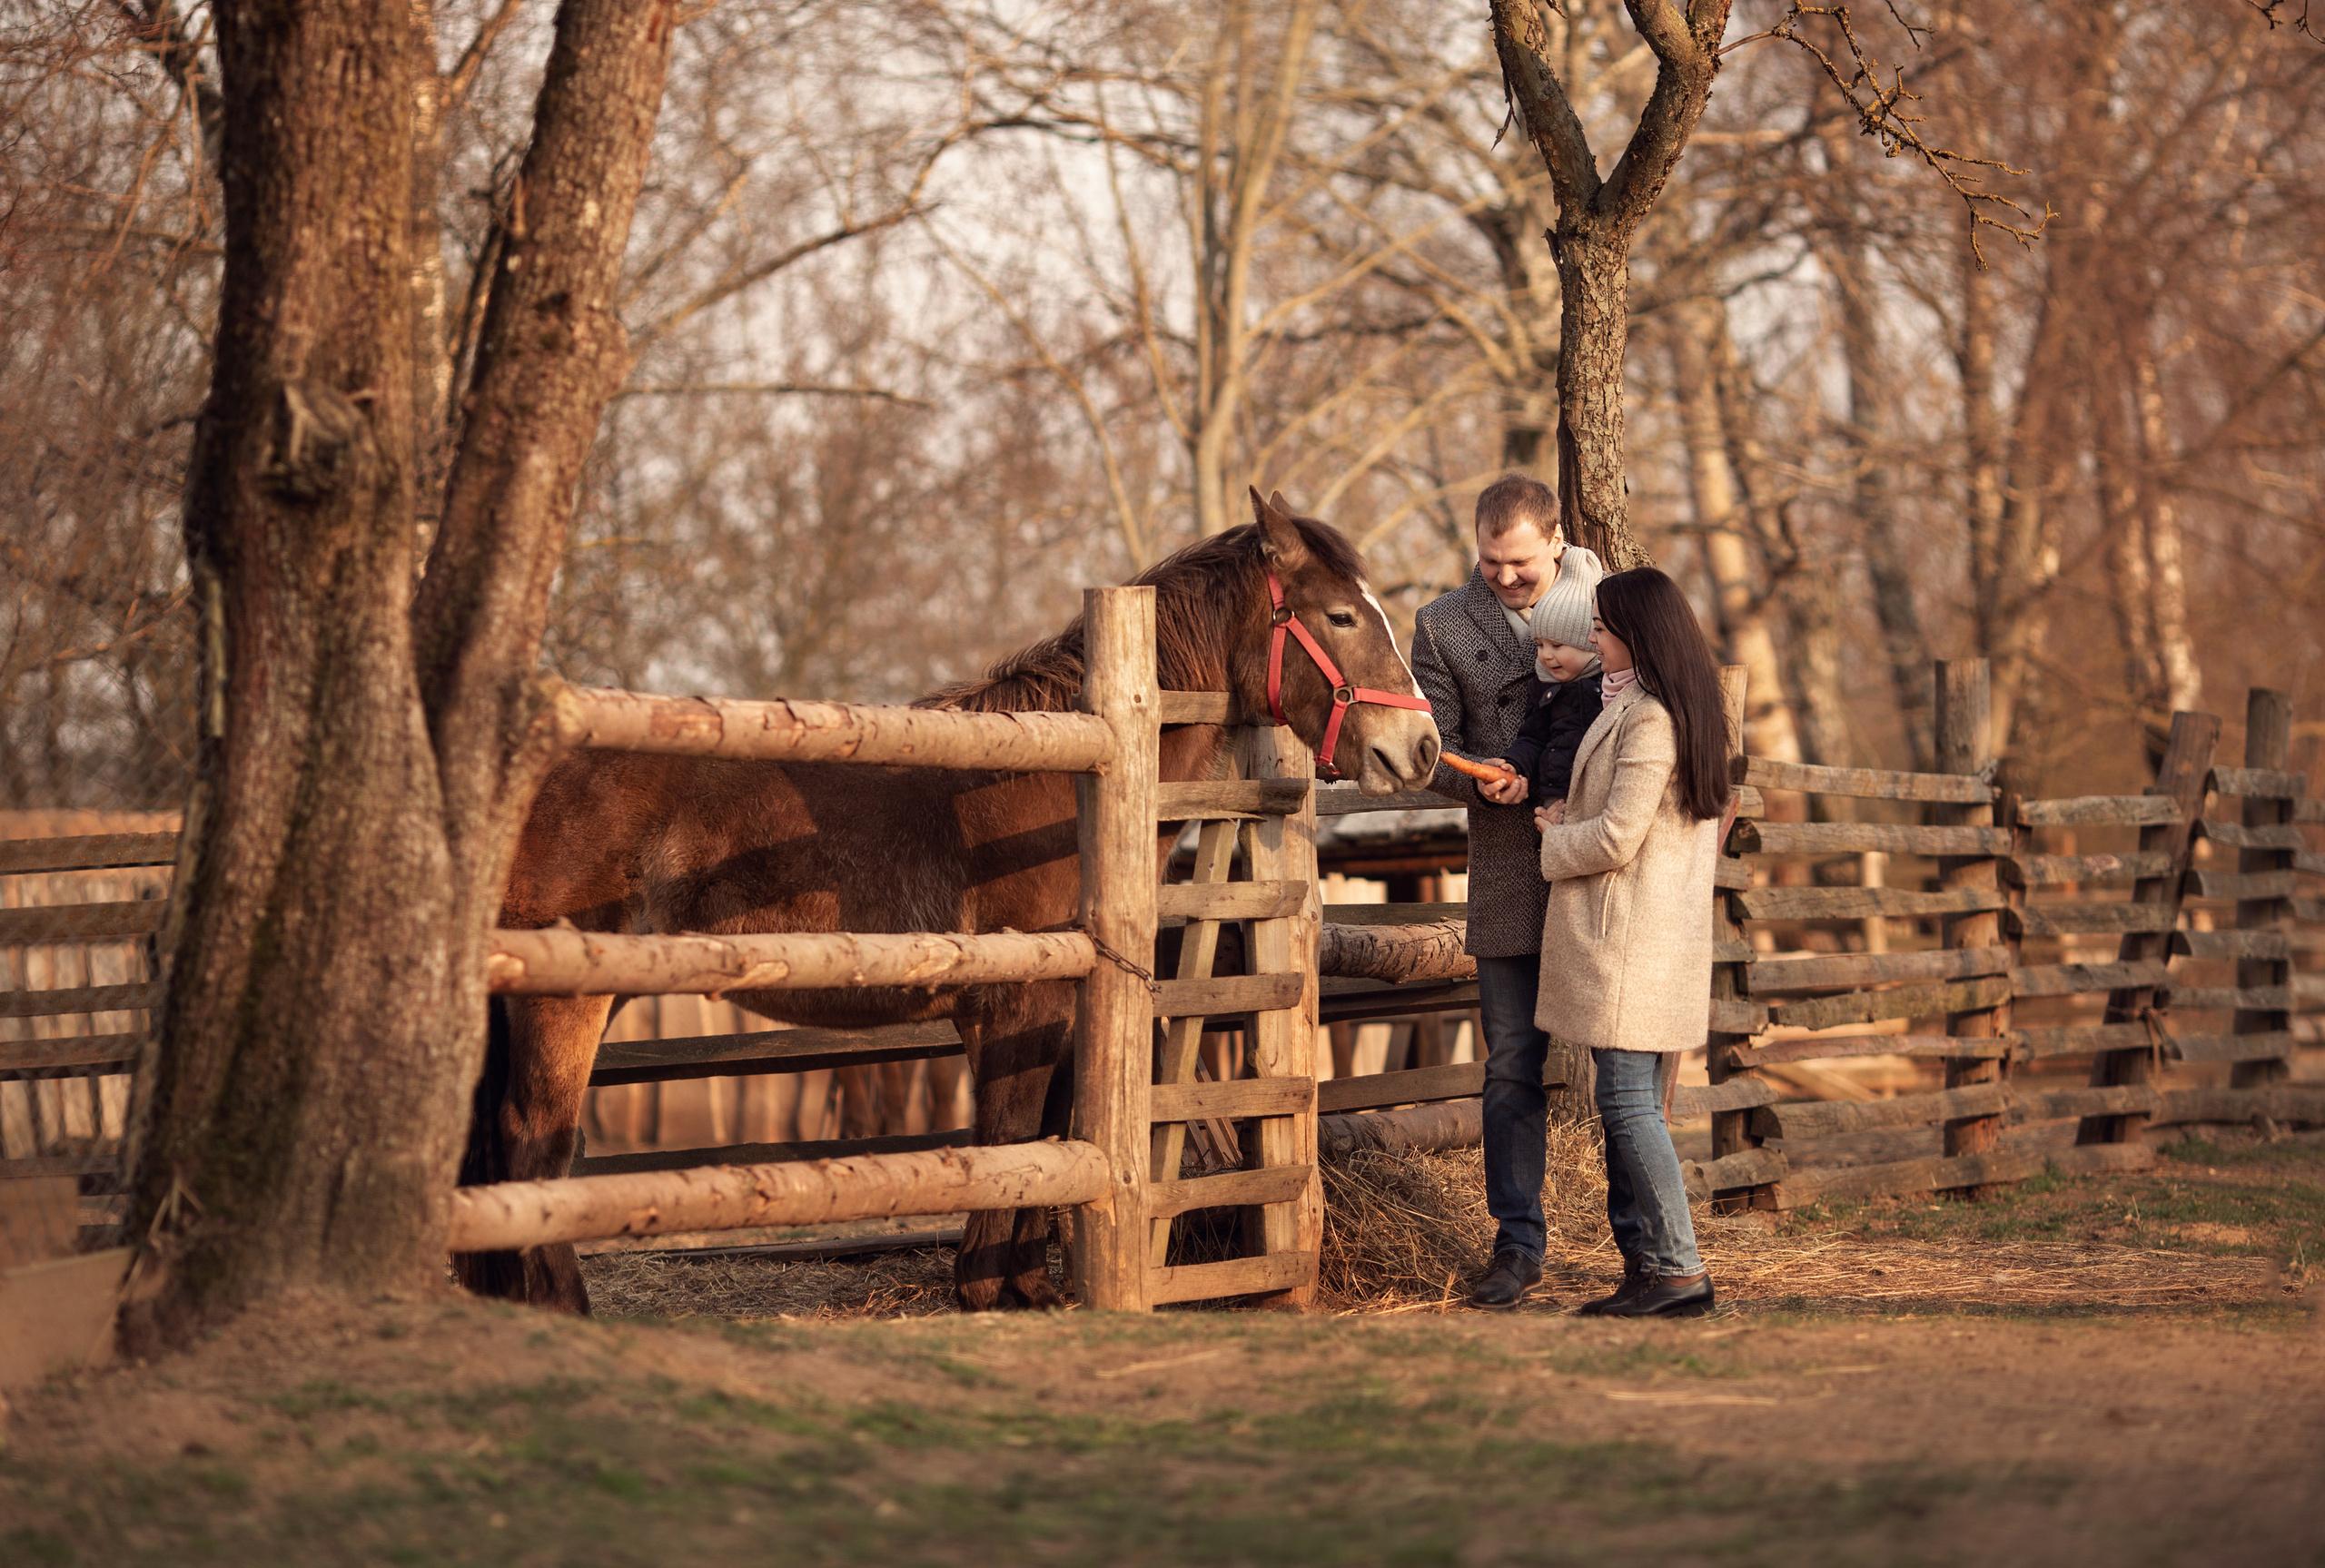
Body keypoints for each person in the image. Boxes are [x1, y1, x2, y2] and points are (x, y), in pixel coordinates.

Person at [1533, 567, 1732, 1317]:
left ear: (1637, 635)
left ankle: (1679, 1268)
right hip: (1649, 940)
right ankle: (1653, 1266)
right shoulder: (1675, 706)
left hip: (1630, 944)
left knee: (1626, 1101)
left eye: (1602, 628)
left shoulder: (1651, 717)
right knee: (1634, 1098)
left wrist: (1556, 836)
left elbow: (1618, 835)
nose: (1592, 639)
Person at [1408, 473, 1576, 1310]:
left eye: (1521, 562)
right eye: (1489, 561)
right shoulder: (1441, 624)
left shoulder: (1608, 601)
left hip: (1604, 864)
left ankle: (1646, 1242)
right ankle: (1516, 1244)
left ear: (1557, 540)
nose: (1505, 577)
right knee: (1511, 1062)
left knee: (1626, 1061)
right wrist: (1483, 777)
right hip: (1508, 865)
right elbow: (1429, 745)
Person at [1494, 546, 1605, 811]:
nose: (1545, 655)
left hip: (1602, 794)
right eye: (1539, 645)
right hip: (1556, 798)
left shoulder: (1610, 683)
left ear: (1588, 643)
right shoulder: (1544, 687)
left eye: (1557, 645)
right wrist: (1514, 764)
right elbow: (1532, 738)